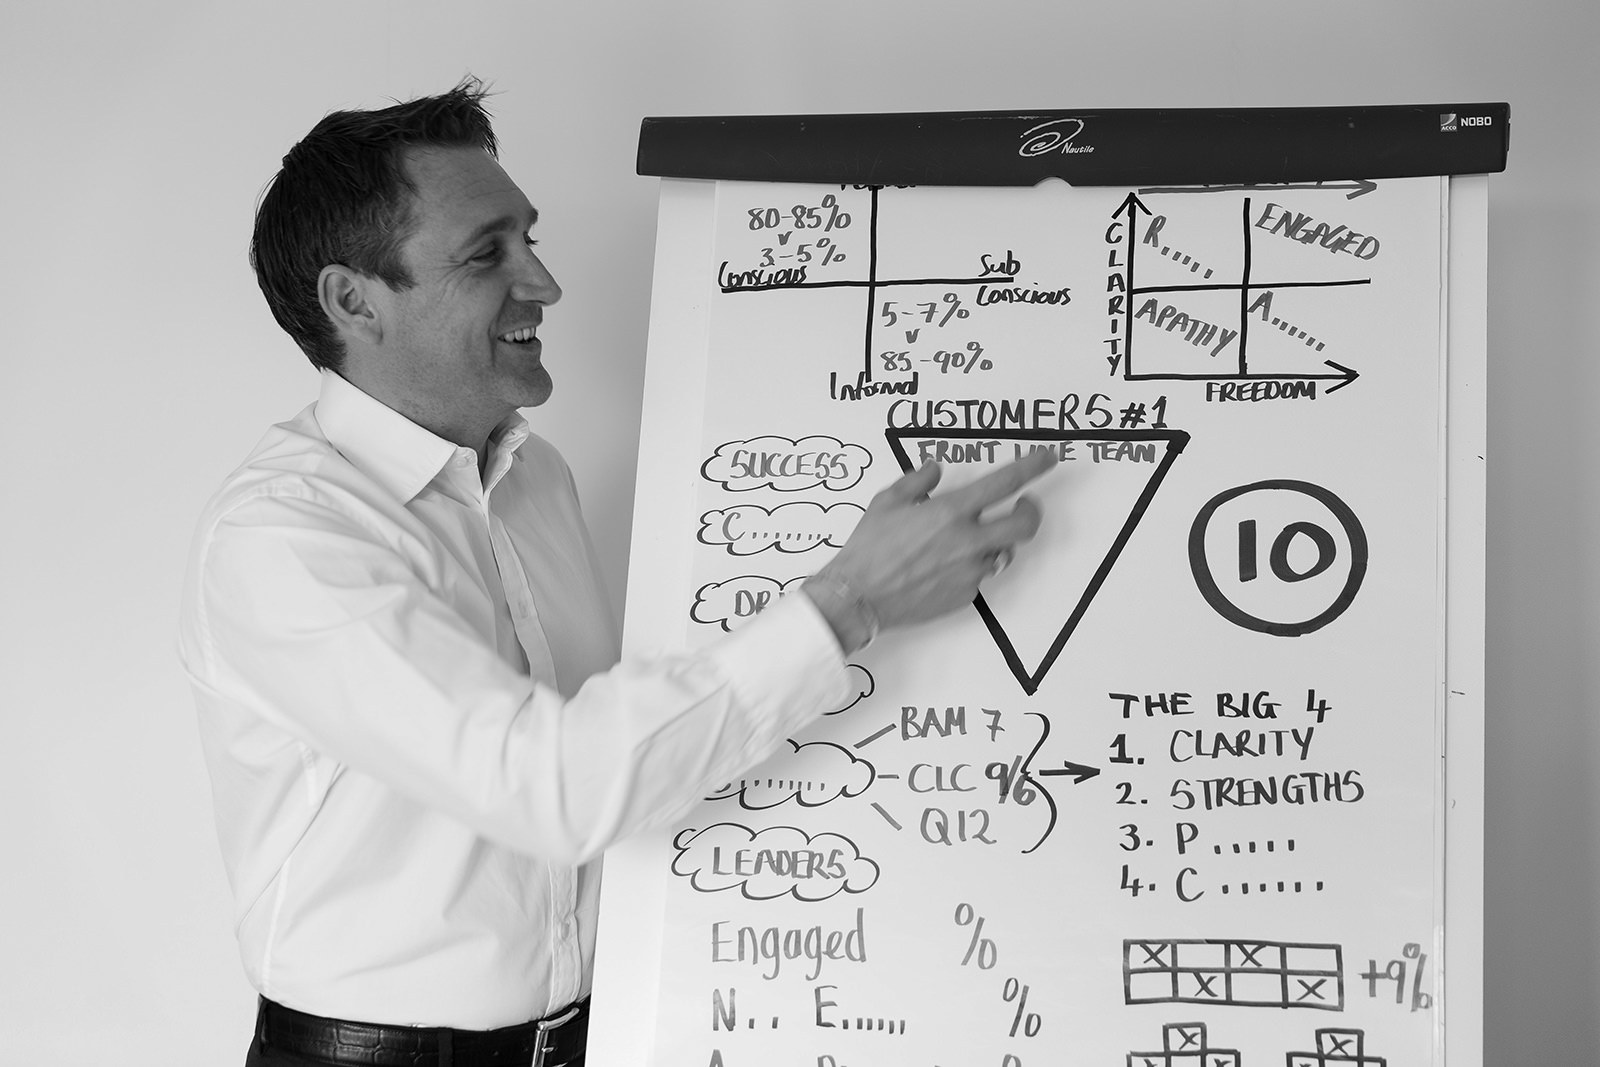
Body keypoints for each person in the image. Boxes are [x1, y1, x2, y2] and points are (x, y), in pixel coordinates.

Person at [178, 79, 1056, 1067]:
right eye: (487, 253)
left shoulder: (534, 478)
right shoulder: (284, 534)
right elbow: (550, 785)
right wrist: (849, 601)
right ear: (354, 301)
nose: (544, 281)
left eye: (529, 238)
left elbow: (628, 753)